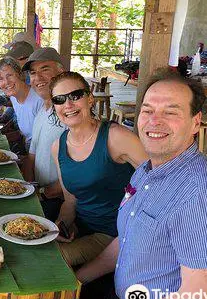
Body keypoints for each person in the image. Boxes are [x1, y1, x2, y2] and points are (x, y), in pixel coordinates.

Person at [71, 70, 207, 299]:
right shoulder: (146, 171)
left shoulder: (203, 195)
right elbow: (128, 241)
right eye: (148, 110)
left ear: (196, 122)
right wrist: (77, 280)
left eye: (170, 112)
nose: (154, 121)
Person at [48, 71, 147, 268]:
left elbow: (160, 180)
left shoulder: (115, 137)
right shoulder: (58, 147)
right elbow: (70, 201)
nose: (68, 104)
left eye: (75, 95)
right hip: (82, 226)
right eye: (59, 99)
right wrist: (61, 227)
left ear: (90, 98)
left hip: (113, 233)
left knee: (52, 262)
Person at [20, 47, 66, 220]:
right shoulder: (43, 110)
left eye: (45, 70)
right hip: (40, 194)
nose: (37, 78)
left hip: (60, 201)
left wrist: (43, 193)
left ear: (61, 72)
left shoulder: (69, 113)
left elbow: (83, 170)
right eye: (33, 73)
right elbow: (31, 157)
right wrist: (30, 190)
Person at [0, 56, 43, 150]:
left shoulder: (39, 100)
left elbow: (43, 142)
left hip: (39, 157)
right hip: (26, 149)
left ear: (19, 74)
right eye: (1, 79)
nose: (6, 82)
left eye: (10, 75)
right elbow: (25, 131)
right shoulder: (14, 97)